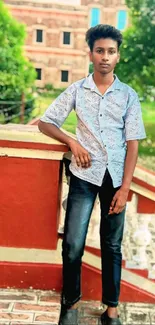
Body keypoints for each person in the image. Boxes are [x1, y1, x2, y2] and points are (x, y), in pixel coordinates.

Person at [38, 24, 146, 325]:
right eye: (100, 51)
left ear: (118, 56)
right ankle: (70, 305)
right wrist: (72, 141)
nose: (105, 57)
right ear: (91, 53)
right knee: (73, 243)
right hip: (84, 176)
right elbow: (46, 123)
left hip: (115, 179)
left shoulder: (128, 96)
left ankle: (111, 311)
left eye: (111, 52)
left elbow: (133, 143)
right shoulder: (77, 90)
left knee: (112, 244)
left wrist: (125, 188)